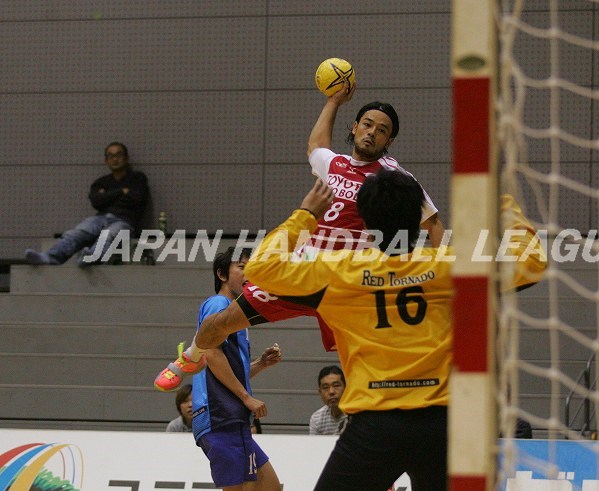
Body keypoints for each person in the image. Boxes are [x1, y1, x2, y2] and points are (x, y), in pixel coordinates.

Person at [245, 172, 545, 490]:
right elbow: (532, 262)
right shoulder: (451, 264)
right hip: (443, 426)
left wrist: (306, 215)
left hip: (375, 426)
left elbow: (260, 267)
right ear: (418, 217)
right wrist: (503, 201)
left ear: (364, 219)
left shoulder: (339, 270)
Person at [154, 83, 445, 391]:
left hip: (346, 280)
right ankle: (190, 357)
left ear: (389, 141)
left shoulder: (393, 177)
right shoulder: (334, 164)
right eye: (367, 124)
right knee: (220, 323)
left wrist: (437, 272)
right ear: (355, 126)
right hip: (302, 271)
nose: (372, 133)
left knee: (364, 357)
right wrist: (333, 101)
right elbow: (316, 145)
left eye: (382, 130)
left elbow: (434, 224)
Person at [191, 246, 282, 491]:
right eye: (241, 267)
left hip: (233, 418)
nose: (249, 273)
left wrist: (260, 364)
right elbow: (211, 353)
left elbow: (228, 370)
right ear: (222, 274)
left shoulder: (238, 319)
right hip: (219, 416)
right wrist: (246, 397)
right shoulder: (219, 303)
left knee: (270, 487)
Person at [24, 142, 149, 266]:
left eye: (118, 155)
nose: (115, 159)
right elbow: (96, 201)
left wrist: (107, 196)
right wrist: (122, 191)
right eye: (110, 156)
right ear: (106, 160)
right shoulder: (101, 182)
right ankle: (50, 257)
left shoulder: (138, 178)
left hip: (124, 221)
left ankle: (90, 258)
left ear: (126, 158)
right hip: (100, 218)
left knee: (109, 235)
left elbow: (136, 200)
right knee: (77, 232)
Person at [309, 365, 347, 435]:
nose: (331, 392)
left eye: (336, 385)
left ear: (346, 388)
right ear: (320, 392)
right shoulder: (317, 418)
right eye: (325, 387)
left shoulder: (356, 416)